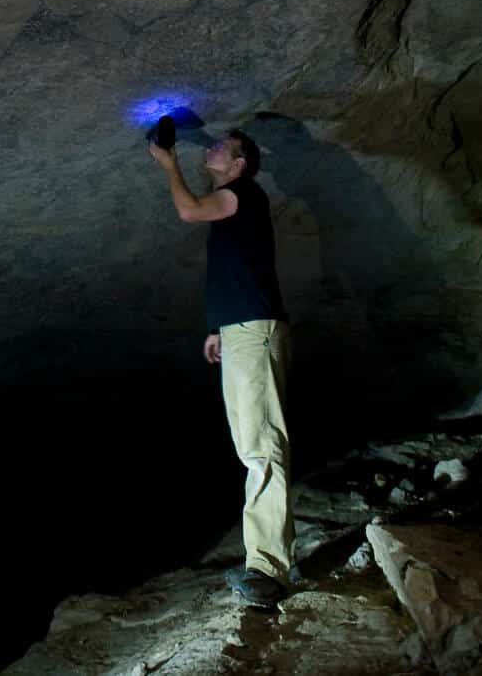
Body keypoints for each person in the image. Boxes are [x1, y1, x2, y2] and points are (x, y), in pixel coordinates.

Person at [149, 127, 294, 608]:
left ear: (239, 166)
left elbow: (188, 210)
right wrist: (219, 328)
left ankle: (268, 570)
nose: (210, 151)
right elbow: (236, 267)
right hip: (240, 329)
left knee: (262, 444)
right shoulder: (235, 203)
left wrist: (169, 165)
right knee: (250, 442)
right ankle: (264, 561)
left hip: (253, 329)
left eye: (221, 149)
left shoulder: (242, 195)